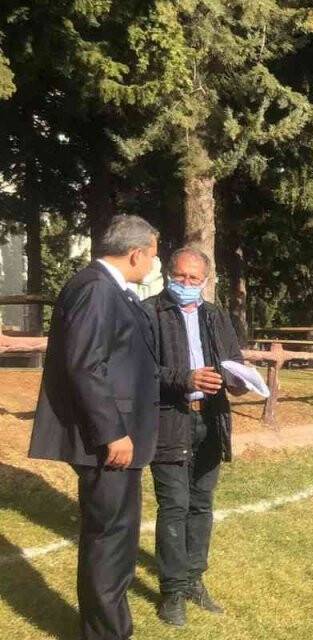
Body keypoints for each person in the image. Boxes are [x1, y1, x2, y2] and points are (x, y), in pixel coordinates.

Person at [29, 215, 160, 640]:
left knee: (116, 536)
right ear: (136, 253)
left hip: (118, 435)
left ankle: (107, 627)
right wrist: (112, 432)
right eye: (154, 255)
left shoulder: (108, 290)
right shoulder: (96, 289)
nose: (153, 265)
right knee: (110, 538)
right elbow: (85, 365)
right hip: (108, 441)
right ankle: (106, 634)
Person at [144, 247, 246, 627]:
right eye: (180, 277)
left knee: (201, 504)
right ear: (169, 274)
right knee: (174, 507)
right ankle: (171, 593)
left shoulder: (216, 316)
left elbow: (233, 361)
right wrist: (185, 379)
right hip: (169, 422)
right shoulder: (149, 313)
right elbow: (139, 373)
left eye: (194, 279)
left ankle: (193, 580)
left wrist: (238, 382)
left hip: (211, 421)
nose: (186, 284)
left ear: (206, 281)